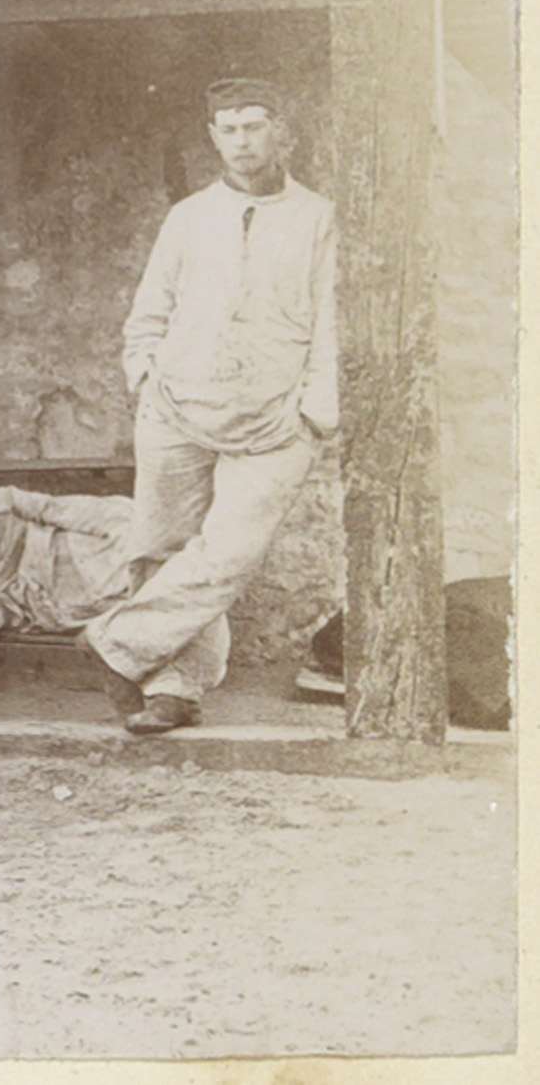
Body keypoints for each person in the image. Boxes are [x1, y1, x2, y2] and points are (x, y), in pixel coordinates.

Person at [78, 77, 339, 734]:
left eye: (255, 125)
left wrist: (315, 413)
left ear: (282, 131)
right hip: (176, 404)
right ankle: (172, 690)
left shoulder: (318, 219)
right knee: (160, 548)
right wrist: (144, 374)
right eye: (229, 128)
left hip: (275, 417)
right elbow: (151, 308)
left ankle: (118, 642)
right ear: (214, 137)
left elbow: (333, 321)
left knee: (228, 554)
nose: (243, 141)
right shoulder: (189, 217)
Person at [0, 485, 227, 687]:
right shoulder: (125, 517)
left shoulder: (177, 593)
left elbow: (211, 667)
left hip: (21, 607)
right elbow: (32, 504)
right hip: (0, 547)